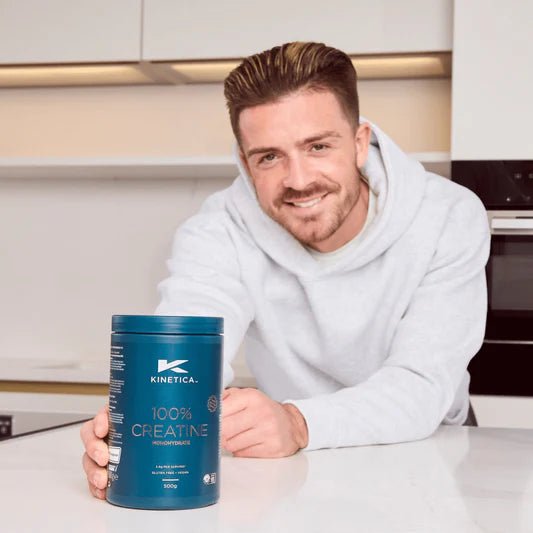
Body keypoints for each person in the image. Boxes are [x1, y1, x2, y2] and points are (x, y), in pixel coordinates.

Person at [81, 41, 490, 500]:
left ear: (359, 143)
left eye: (318, 146)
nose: (298, 180)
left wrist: (297, 422)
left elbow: (420, 384)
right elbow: (185, 347)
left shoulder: (447, 216)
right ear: (244, 162)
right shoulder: (218, 230)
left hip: (431, 449)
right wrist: (135, 426)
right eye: (269, 157)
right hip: (293, 459)